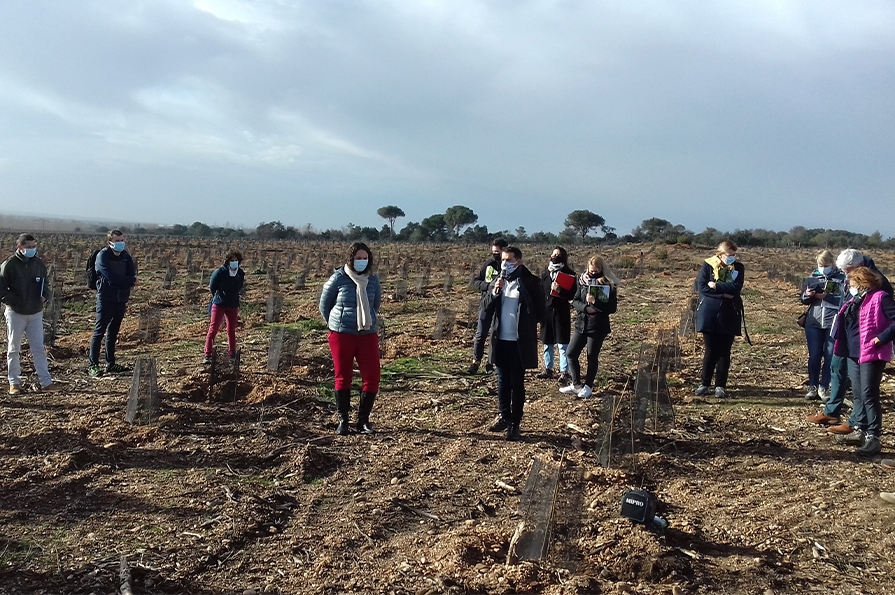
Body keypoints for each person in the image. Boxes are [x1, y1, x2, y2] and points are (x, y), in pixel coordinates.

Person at [808, 249, 892, 427]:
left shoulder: (876, 283)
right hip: (844, 335)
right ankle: (832, 411)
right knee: (836, 369)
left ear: (859, 267)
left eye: (848, 271)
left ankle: (857, 421)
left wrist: (879, 339)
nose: (846, 275)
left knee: (860, 385)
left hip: (863, 342)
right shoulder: (852, 278)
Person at [827, 267, 895, 457]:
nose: (850, 286)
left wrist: (881, 337)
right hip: (852, 352)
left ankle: (874, 436)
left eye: (852, 283)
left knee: (869, 394)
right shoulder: (855, 299)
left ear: (862, 281)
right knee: (858, 393)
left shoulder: (880, 297)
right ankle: (860, 430)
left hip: (871, 352)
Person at [482, 246, 546, 441]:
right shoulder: (498, 281)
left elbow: (541, 313)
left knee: (517, 384)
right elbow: (485, 307)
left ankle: (514, 424)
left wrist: (525, 314)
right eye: (502, 260)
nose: (504, 264)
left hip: (520, 342)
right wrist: (494, 292)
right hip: (500, 340)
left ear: (519, 261)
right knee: (502, 382)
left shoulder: (531, 282)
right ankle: (504, 416)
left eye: (508, 260)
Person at [319, 242, 382, 435]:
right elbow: (324, 306)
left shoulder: (373, 280)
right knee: (342, 376)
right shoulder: (338, 278)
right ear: (350, 259)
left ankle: (363, 421)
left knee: (372, 377)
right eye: (358, 258)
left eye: (365, 258)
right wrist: (337, 324)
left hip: (367, 334)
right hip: (341, 334)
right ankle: (343, 420)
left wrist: (365, 321)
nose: (361, 262)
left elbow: (375, 305)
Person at [0, 233, 61, 393]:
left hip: (35, 312)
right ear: (19, 248)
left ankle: (46, 382)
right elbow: (1, 288)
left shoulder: (38, 264)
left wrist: (44, 295)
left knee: (39, 348)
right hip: (16, 313)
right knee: (14, 348)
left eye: (34, 246)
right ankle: (14, 383)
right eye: (29, 247)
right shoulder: (10, 265)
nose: (32, 249)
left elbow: (45, 283)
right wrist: (13, 300)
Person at [559, 255, 619, 399]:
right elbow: (575, 300)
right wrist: (586, 308)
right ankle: (576, 384)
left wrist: (596, 303)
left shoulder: (608, 284)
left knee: (592, 356)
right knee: (571, 353)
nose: (593, 272)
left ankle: (588, 386)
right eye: (591, 269)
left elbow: (612, 308)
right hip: (581, 324)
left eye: (596, 269)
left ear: (601, 269)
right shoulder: (582, 281)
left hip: (597, 326)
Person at [694, 240, 744, 398]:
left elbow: (736, 289)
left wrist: (716, 286)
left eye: (734, 255)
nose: (732, 258)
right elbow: (701, 287)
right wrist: (723, 294)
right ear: (720, 254)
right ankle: (704, 384)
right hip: (709, 313)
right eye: (730, 255)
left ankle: (720, 386)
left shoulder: (739, 267)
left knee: (724, 351)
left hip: (729, 313)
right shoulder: (708, 265)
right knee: (710, 351)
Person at [798, 250, 846, 400]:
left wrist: (827, 297)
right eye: (820, 265)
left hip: (832, 322)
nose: (822, 267)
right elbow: (803, 299)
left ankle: (824, 386)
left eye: (825, 265)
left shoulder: (842, 278)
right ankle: (812, 386)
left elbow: (843, 301)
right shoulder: (812, 278)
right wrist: (807, 295)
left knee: (830, 355)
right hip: (814, 321)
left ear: (832, 264)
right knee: (814, 355)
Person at [88, 230, 137, 377]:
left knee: (113, 333)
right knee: (99, 332)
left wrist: (126, 281)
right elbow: (112, 277)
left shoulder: (126, 257)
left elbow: (130, 275)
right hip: (105, 298)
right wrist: (128, 281)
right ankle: (93, 365)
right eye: (117, 240)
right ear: (110, 243)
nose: (121, 243)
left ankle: (110, 363)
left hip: (121, 299)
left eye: (122, 240)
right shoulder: (102, 256)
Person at [467, 238, 509, 375]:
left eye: (498, 251)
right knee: (481, 334)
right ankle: (475, 361)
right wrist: (488, 287)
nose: (495, 254)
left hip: (502, 305)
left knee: (495, 335)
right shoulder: (488, 265)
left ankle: (490, 363)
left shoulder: (509, 266)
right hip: (486, 304)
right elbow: (475, 281)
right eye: (493, 252)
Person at [537, 246, 576, 383]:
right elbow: (541, 293)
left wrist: (560, 290)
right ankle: (548, 369)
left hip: (561, 312)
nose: (555, 257)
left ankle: (565, 371)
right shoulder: (545, 275)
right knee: (547, 342)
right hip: (547, 312)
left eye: (558, 255)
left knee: (562, 343)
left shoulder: (569, 274)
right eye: (553, 254)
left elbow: (573, 295)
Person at [203, 249, 245, 365]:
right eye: (232, 260)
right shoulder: (220, 272)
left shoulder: (240, 273)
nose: (234, 262)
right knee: (213, 329)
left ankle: (232, 355)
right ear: (227, 261)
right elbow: (212, 286)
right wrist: (219, 296)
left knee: (231, 330)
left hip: (233, 304)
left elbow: (239, 287)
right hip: (219, 303)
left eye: (236, 260)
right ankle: (208, 355)